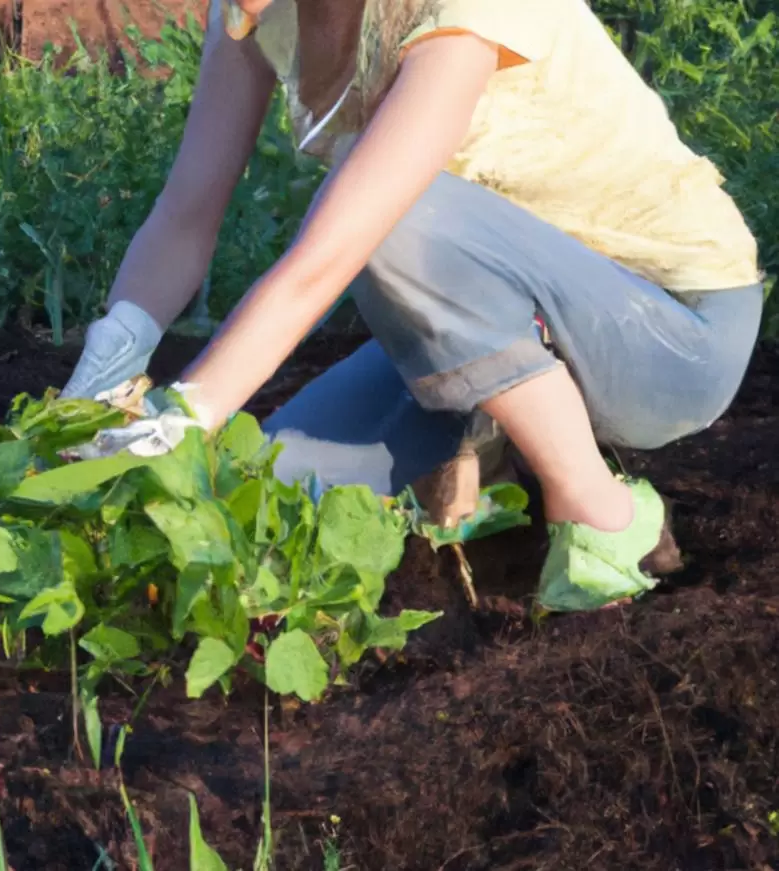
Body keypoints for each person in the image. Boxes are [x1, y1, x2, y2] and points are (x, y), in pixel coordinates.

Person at [58, 0, 764, 612]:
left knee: (387, 218)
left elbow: (332, 253)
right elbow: (186, 212)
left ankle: (600, 512)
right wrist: (109, 360)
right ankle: (492, 455)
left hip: (668, 331)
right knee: (276, 492)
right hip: (511, 314)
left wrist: (189, 412)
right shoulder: (255, 14)